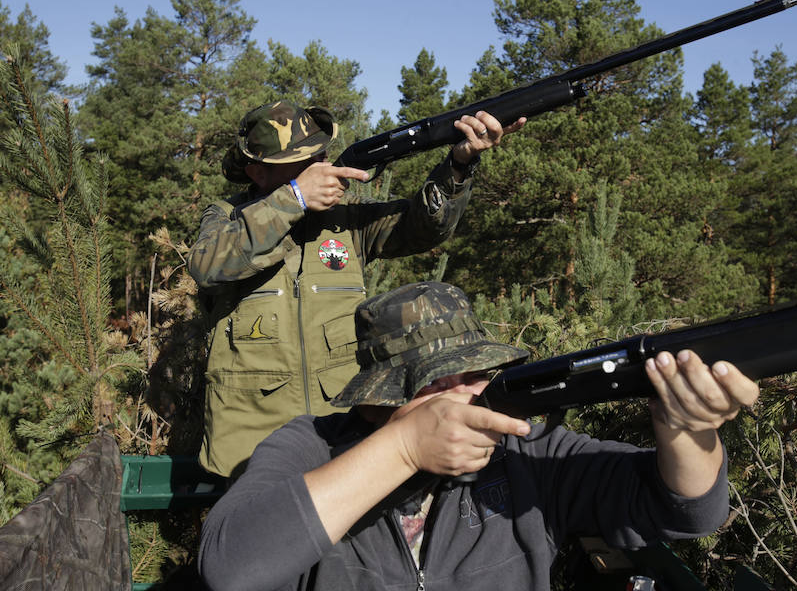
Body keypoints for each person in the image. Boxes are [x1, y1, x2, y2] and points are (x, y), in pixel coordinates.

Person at [198, 281, 760, 591]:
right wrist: (403, 448)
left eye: (475, 373)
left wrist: (687, 431)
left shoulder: (528, 450)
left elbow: (686, 511)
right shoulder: (309, 446)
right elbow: (231, 567)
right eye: (438, 382)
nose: (467, 394)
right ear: (378, 396)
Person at [188, 101, 526, 478]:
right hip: (249, 443)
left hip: (346, 430)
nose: (317, 170)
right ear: (256, 171)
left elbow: (422, 228)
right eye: (298, 167)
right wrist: (293, 200)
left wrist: (459, 165)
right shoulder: (227, 217)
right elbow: (207, 266)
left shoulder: (346, 218)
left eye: (318, 158)